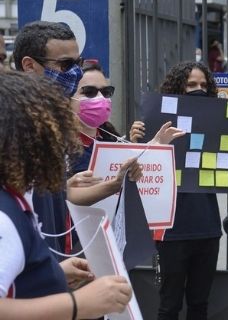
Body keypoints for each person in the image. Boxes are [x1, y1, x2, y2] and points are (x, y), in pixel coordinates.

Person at [0, 71, 133, 319]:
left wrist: (52, 274)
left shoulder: (14, 199)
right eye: (53, 133)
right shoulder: (5, 217)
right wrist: (78, 304)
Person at [129, 62, 222, 320]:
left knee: (199, 305)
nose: (198, 90)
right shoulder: (156, 127)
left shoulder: (214, 125)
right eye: (191, 85)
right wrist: (138, 143)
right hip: (171, 232)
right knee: (169, 306)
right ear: (176, 89)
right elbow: (137, 175)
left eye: (203, 85)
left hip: (208, 227)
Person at [13, 21, 86, 255]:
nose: (76, 73)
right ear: (29, 66)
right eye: (65, 64)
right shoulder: (13, 128)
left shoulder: (53, 123)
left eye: (78, 63)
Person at [68, 62, 181, 207]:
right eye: (89, 92)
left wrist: (154, 147)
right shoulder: (56, 146)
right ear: (67, 98)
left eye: (106, 92)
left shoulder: (111, 140)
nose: (100, 98)